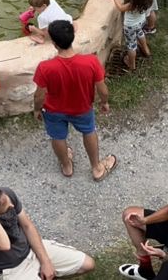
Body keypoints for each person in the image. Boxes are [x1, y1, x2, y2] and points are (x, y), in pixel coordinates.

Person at [32, 19, 114, 181]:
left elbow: (39, 95)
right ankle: (97, 168)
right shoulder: (90, 61)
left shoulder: (45, 67)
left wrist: (36, 109)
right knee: (89, 131)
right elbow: (102, 88)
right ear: (72, 37)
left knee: (58, 136)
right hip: (82, 108)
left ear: (54, 44)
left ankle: (67, 166)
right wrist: (104, 102)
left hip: (54, 110)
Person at [108, 0, 155, 73]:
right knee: (140, 33)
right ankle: (146, 50)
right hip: (141, 22)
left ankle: (131, 65)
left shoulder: (131, 5)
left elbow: (121, 8)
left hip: (130, 27)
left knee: (131, 45)